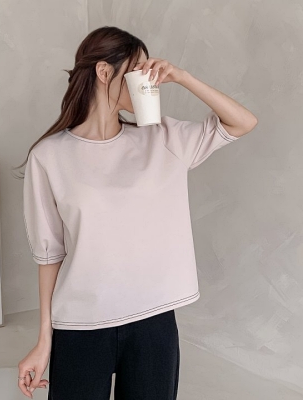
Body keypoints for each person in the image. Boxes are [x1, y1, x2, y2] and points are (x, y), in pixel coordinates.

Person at [14, 26, 258, 400]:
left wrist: (183, 76)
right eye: (139, 69)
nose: (150, 78)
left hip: (153, 321)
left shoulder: (163, 138)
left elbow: (243, 121)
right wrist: (44, 341)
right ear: (104, 71)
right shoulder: (49, 156)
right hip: (81, 323)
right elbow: (49, 254)